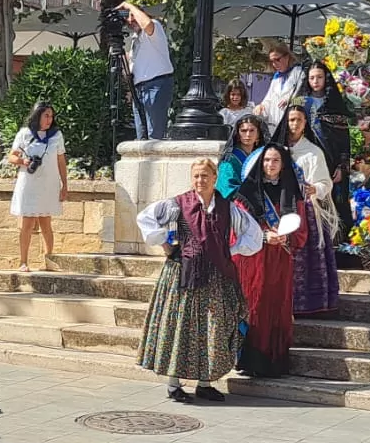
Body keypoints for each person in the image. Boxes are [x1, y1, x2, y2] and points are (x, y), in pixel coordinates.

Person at [135, 157, 264, 401]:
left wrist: (231, 250)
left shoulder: (228, 207)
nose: (199, 180)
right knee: (180, 327)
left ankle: (205, 383)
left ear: (215, 178)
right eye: (195, 176)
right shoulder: (178, 204)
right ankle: (174, 384)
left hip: (217, 277)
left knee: (213, 328)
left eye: (205, 175)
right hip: (183, 274)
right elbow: (146, 218)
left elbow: (253, 233)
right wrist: (164, 243)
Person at [233, 145, 303, 377]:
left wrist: (288, 236)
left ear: (283, 165)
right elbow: (237, 228)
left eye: (275, 160)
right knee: (256, 304)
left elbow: (302, 230)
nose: (270, 165)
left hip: (281, 258)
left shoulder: (291, 193)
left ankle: (276, 361)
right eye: (266, 160)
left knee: (278, 305)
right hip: (255, 258)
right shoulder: (247, 193)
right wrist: (263, 236)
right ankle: (252, 360)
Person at [280, 104, 340, 315]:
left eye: (298, 120)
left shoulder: (313, 152)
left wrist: (316, 188)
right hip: (280, 210)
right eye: (290, 120)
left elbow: (326, 183)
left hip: (306, 211)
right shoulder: (277, 149)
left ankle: (308, 305)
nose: (293, 124)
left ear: (305, 124)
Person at [7, 100, 68, 272]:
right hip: (29, 185)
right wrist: (23, 161)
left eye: (51, 116)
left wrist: (65, 184)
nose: (49, 119)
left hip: (48, 185)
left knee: (46, 223)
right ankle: (23, 261)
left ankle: (49, 259)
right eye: (46, 115)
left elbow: (61, 160)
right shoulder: (25, 134)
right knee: (27, 224)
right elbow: (11, 157)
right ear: (37, 115)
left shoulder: (56, 135)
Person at [301, 61, 357, 234]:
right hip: (306, 159)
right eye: (312, 78)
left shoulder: (334, 102)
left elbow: (343, 138)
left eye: (319, 77)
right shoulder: (300, 102)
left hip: (332, 160)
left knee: (335, 199)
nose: (315, 81)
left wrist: (342, 166)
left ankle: (338, 240)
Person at [118, 1, 174, 140]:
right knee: (141, 136)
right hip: (139, 89)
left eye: (133, 16)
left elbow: (147, 25)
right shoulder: (135, 39)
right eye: (127, 18)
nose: (130, 20)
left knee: (154, 135)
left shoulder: (155, 27)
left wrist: (129, 5)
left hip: (156, 84)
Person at [216, 115, 271, 200]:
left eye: (252, 130)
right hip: (238, 206)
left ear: (258, 134)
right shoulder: (229, 160)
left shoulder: (264, 157)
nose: (248, 134)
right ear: (238, 134)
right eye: (243, 131)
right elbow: (227, 189)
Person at [252, 43, 308, 123]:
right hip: (274, 123)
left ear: (287, 57)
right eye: (272, 61)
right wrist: (261, 107)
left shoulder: (299, 73)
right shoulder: (276, 77)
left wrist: (291, 100)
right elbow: (268, 100)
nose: (274, 64)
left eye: (277, 60)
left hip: (291, 122)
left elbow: (303, 96)